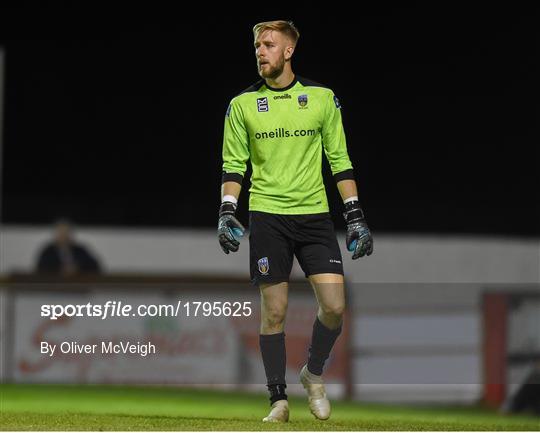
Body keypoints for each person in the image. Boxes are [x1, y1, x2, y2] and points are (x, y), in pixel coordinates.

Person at [218, 20, 373, 422]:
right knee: (275, 312)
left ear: (288, 51)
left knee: (335, 307)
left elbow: (340, 160)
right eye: (256, 46)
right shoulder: (242, 105)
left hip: (315, 216)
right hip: (268, 216)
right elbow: (234, 166)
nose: (260, 52)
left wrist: (354, 216)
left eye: (268, 44)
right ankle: (278, 400)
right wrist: (226, 211)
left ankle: (313, 372)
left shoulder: (321, 98)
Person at [36, 219, 102, 275]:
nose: (64, 236)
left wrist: (77, 268)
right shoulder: (48, 251)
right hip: (55, 285)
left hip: (77, 285)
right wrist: (61, 269)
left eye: (66, 232)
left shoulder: (80, 250)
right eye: (61, 232)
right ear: (56, 234)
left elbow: (95, 267)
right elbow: (41, 269)